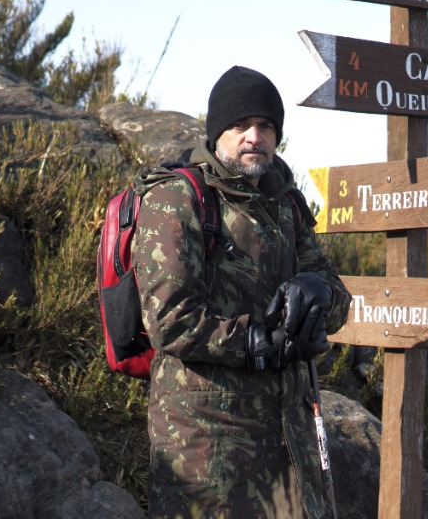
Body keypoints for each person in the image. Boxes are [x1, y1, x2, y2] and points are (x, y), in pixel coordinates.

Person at [133, 65, 350, 518]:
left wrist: (318, 294)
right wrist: (256, 341)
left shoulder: (286, 203)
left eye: (266, 126)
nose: (255, 136)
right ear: (218, 134)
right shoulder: (178, 198)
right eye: (241, 125)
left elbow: (336, 295)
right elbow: (170, 321)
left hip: (287, 437)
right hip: (205, 448)